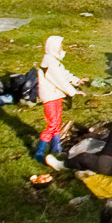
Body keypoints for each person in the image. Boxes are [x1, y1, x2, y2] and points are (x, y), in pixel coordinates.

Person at [33, 34, 81, 167]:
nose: (62, 49)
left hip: (56, 95)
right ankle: (39, 151)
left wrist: (76, 80)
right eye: (60, 47)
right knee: (52, 123)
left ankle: (56, 147)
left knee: (57, 120)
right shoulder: (50, 63)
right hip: (50, 96)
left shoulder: (54, 61)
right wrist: (73, 91)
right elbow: (59, 80)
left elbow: (64, 73)